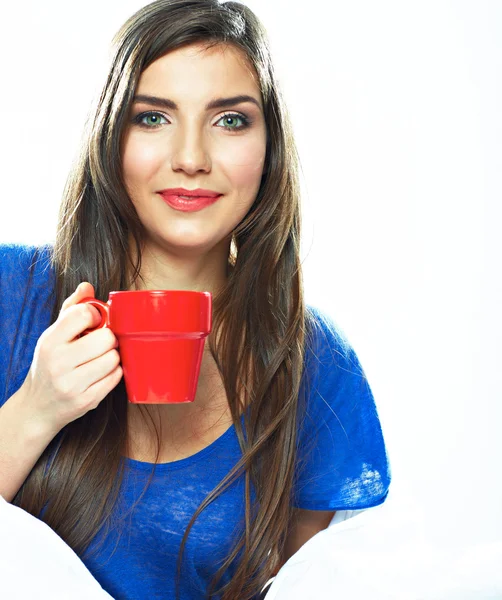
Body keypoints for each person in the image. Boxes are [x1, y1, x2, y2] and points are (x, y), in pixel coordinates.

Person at [0, 0, 391, 598]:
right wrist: (36, 408)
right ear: (111, 136)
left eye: (230, 120)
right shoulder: (13, 293)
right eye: (153, 118)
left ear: (269, 147)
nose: (190, 159)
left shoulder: (314, 361)